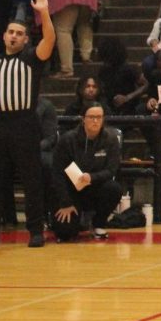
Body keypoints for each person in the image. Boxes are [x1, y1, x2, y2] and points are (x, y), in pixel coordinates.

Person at [0, 0, 55, 246]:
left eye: (19, 33)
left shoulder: (32, 59)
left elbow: (50, 41)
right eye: (11, 32)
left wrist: (44, 12)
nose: (14, 36)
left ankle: (35, 230)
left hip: (24, 123)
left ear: (25, 40)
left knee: (32, 179)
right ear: (3, 36)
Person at [49, 102, 122, 241]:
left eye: (99, 117)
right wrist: (65, 202)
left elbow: (111, 170)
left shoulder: (111, 139)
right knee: (65, 233)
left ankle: (99, 223)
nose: (95, 121)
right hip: (71, 191)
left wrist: (92, 177)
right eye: (91, 117)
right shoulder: (68, 140)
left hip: (95, 188)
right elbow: (57, 172)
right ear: (83, 119)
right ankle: (75, 222)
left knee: (114, 188)